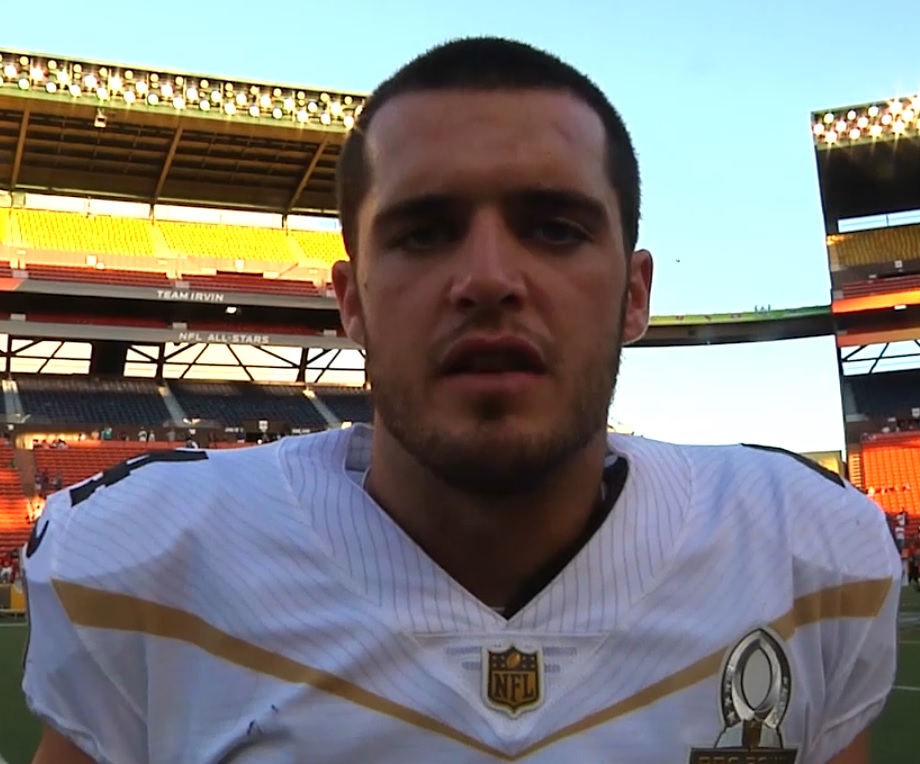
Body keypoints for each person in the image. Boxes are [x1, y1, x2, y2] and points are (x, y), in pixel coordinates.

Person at [23, 38, 900, 764]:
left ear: (635, 295)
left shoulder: (799, 556)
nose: (487, 280)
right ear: (352, 301)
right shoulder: (150, 564)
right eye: (423, 232)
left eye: (555, 228)